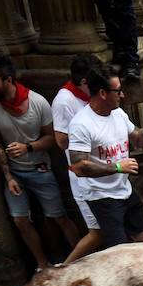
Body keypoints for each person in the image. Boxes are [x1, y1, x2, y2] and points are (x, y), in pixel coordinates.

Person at [0, 54, 80, 272]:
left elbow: (53, 138)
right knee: (20, 220)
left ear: (8, 80)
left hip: (39, 168)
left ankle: (78, 262)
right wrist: (7, 176)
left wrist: (28, 147)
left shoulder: (37, 103)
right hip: (14, 173)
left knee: (58, 217)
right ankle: (41, 265)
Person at [66, 65, 143, 250]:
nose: (122, 95)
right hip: (102, 196)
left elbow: (139, 140)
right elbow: (78, 167)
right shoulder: (81, 124)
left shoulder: (118, 113)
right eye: (118, 91)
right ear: (102, 93)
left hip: (124, 189)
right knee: (119, 250)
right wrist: (118, 167)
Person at [51, 53, 104, 262]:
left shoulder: (88, 97)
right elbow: (61, 140)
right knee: (97, 233)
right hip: (85, 176)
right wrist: (85, 131)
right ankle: (65, 268)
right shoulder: (64, 101)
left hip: (101, 172)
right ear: (84, 82)